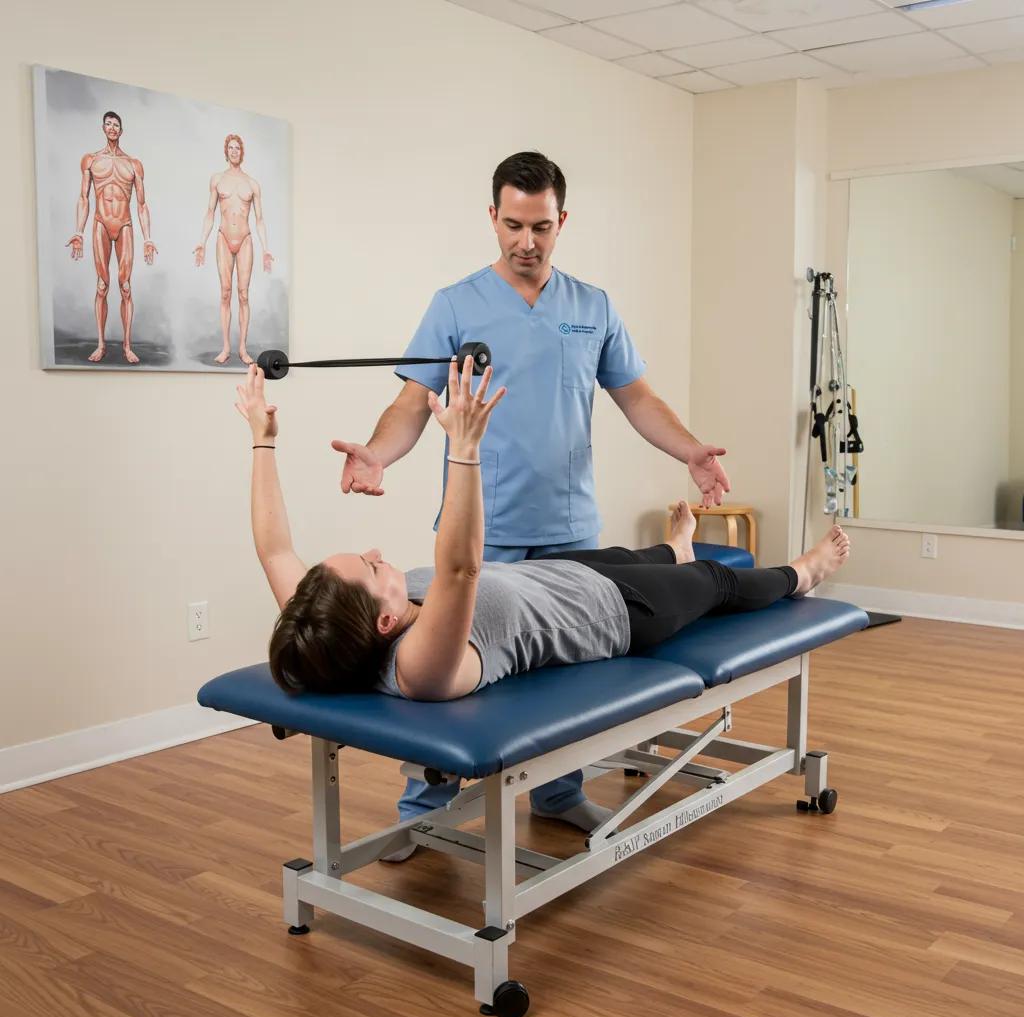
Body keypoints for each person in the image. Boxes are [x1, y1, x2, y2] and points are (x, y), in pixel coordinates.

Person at [235, 359, 851, 828]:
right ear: (388, 621)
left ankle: (676, 551)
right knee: (715, 581)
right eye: (372, 570)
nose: (374, 553)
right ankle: (803, 572)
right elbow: (459, 571)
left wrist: (262, 438)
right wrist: (465, 449)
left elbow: (274, 551)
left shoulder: (329, 626)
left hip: (556, 574)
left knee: (637, 554)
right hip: (615, 612)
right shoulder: (423, 666)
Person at [329, 152, 734, 842]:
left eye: (541, 227)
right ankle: (422, 814)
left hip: (570, 527)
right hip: (479, 532)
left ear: (561, 221)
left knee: (566, 681)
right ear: (492, 218)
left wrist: (690, 449)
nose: (526, 241)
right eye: (513, 224)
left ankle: (557, 793)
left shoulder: (593, 306)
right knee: (443, 676)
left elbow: (636, 397)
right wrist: (376, 452)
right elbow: (412, 403)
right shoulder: (455, 305)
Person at [66, 110, 158, 365]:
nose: (112, 128)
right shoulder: (91, 160)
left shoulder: (133, 164)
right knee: (102, 285)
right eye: (108, 124)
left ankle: (127, 346)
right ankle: (101, 344)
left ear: (121, 129)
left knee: (125, 286)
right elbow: (84, 197)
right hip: (101, 224)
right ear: (103, 128)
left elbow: (141, 204)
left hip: (125, 224)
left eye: (116, 124)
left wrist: (148, 238)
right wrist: (78, 231)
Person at [194, 134, 274, 365]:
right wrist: (202, 241)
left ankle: (242, 348)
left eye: (237, 148)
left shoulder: (252, 184)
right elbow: (210, 212)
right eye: (230, 147)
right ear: (225, 151)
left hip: (246, 239)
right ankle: (226, 347)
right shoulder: (217, 180)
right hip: (223, 238)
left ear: (242, 152)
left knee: (243, 294)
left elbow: (259, 219)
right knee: (226, 292)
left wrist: (266, 248)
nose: (234, 151)